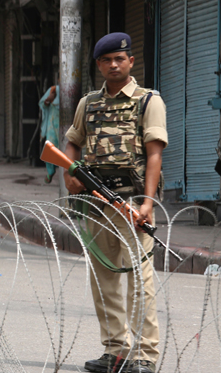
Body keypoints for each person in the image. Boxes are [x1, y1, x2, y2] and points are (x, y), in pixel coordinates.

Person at [64, 32, 165, 373]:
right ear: (98, 65)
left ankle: (145, 354)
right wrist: (69, 174)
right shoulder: (88, 103)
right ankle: (115, 351)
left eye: (119, 59)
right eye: (106, 60)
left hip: (133, 201)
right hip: (97, 203)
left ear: (131, 61)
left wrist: (148, 202)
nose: (113, 64)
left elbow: (154, 154)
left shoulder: (149, 101)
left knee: (140, 278)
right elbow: (73, 143)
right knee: (104, 278)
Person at [39, 84, 60, 183]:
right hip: (53, 124)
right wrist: (49, 99)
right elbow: (43, 103)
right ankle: (50, 171)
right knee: (50, 148)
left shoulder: (73, 87)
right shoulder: (54, 89)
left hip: (67, 125)